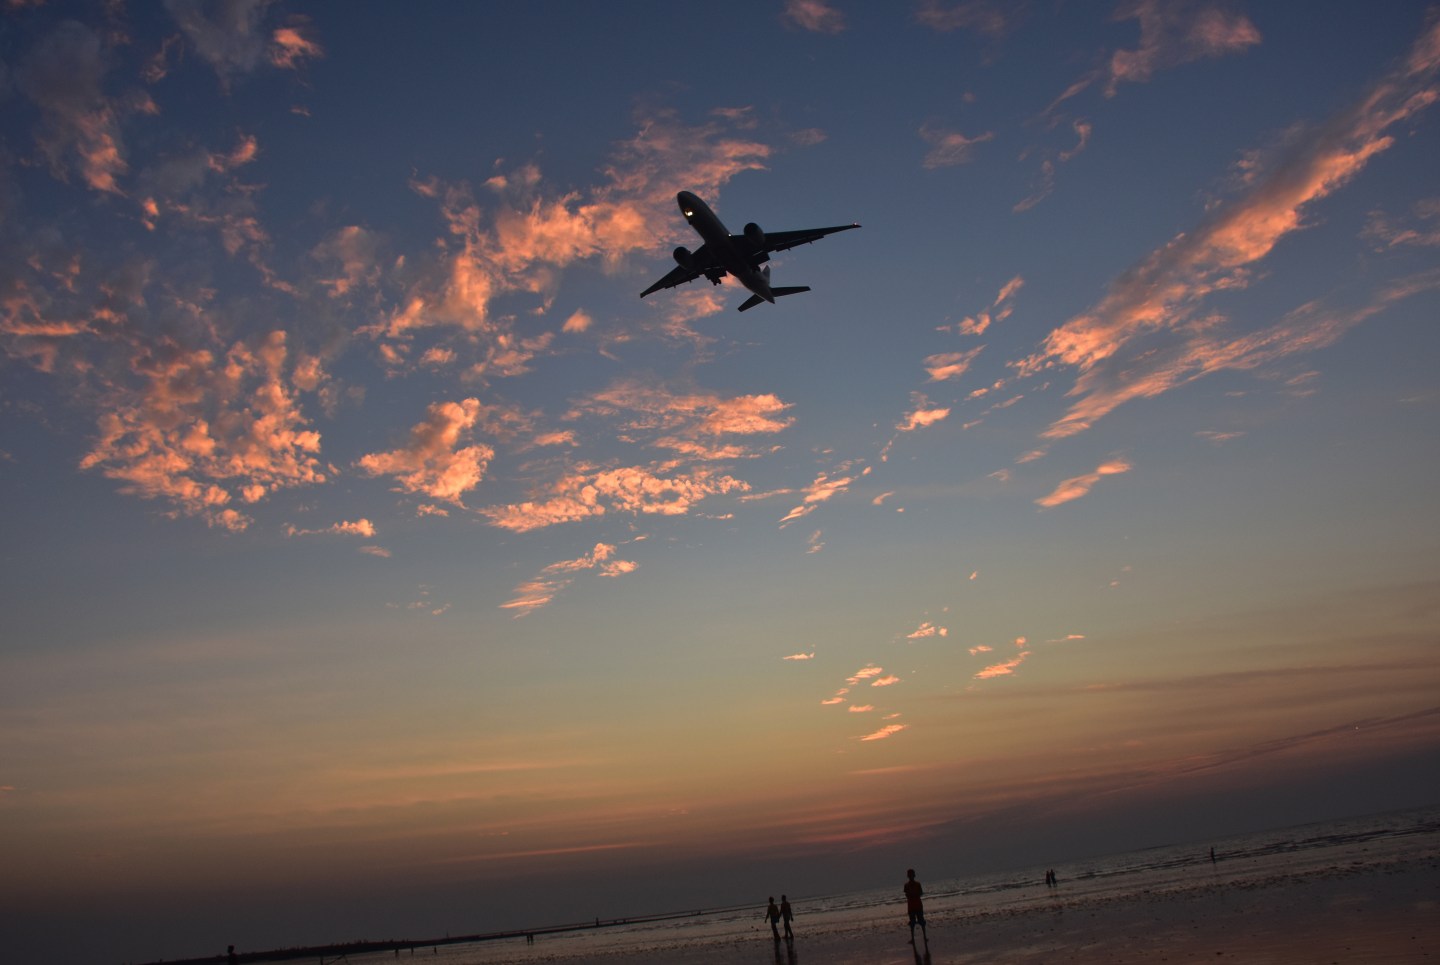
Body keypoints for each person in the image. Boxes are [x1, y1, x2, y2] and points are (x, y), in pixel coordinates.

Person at [904, 868, 927, 945]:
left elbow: (921, 893)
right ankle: (913, 939)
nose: (910, 876)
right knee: (912, 923)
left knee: (922, 921)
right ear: (908, 876)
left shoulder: (918, 884)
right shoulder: (906, 885)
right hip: (911, 906)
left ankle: (924, 936)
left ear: (914, 875)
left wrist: (914, 894)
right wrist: (912, 895)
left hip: (918, 905)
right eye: (909, 874)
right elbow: (907, 895)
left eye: (911, 874)